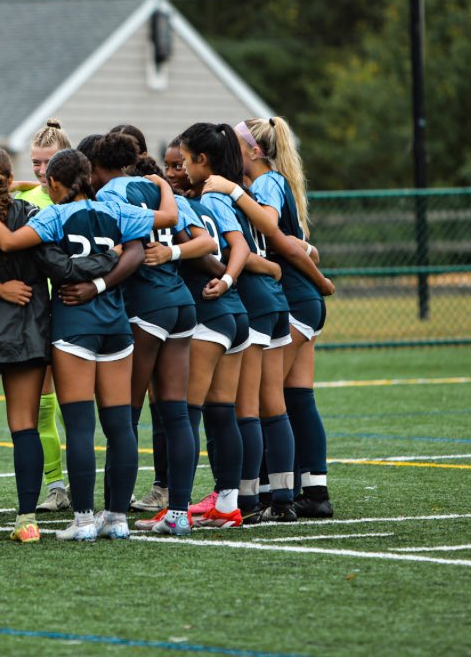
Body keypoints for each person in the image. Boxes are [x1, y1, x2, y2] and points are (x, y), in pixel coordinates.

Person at [0, 148, 178, 542]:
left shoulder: (53, 215)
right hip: (116, 326)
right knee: (120, 426)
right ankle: (116, 517)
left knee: (79, 426)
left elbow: (8, 242)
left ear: (55, 184)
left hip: (75, 326)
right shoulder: (116, 211)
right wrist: (161, 184)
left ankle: (83, 519)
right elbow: (167, 219)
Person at [0, 145, 120, 543]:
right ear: (8, 177)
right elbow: (51, 261)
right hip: (28, 329)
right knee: (25, 427)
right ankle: (26, 519)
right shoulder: (34, 214)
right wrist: (111, 257)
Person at [202, 116, 336, 518]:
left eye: (238, 147)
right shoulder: (264, 184)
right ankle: (310, 490)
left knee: (265, 401)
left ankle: (264, 493)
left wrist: (320, 281)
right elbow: (300, 245)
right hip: (295, 298)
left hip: (290, 300)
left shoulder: (265, 184)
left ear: (254, 151)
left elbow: (278, 237)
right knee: (296, 397)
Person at [90, 132, 216, 532]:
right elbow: (191, 238)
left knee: (123, 414)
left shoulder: (110, 193)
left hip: (147, 304)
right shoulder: (158, 187)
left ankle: (114, 514)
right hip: (181, 302)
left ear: (99, 167)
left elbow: (116, 249)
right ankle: (178, 513)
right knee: (176, 413)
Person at [176, 123, 254, 530]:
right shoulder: (211, 194)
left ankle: (175, 508)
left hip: (213, 314)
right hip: (236, 314)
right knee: (222, 412)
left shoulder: (208, 196)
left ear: (201, 160)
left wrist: (223, 278)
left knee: (186, 414)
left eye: (184, 161)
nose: (180, 170)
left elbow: (235, 245)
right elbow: (240, 244)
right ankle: (227, 503)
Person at [14, 118, 74, 513]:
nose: (41, 171)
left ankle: (93, 483)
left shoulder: (84, 201)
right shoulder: (29, 200)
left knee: (81, 405)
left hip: (76, 308)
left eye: (48, 162)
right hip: (39, 313)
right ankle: (56, 484)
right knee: (43, 405)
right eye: (35, 163)